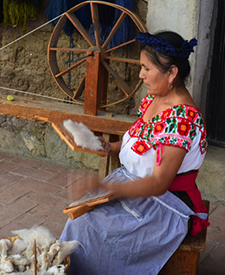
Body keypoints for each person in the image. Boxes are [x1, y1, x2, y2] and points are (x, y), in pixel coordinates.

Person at [61, 31, 209, 275]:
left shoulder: (182, 119)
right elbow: (142, 139)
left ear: (171, 73)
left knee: (90, 227)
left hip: (164, 206)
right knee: (80, 216)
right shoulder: (155, 99)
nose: (141, 74)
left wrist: (111, 189)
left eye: (146, 68)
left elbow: (160, 183)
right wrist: (111, 148)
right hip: (137, 187)